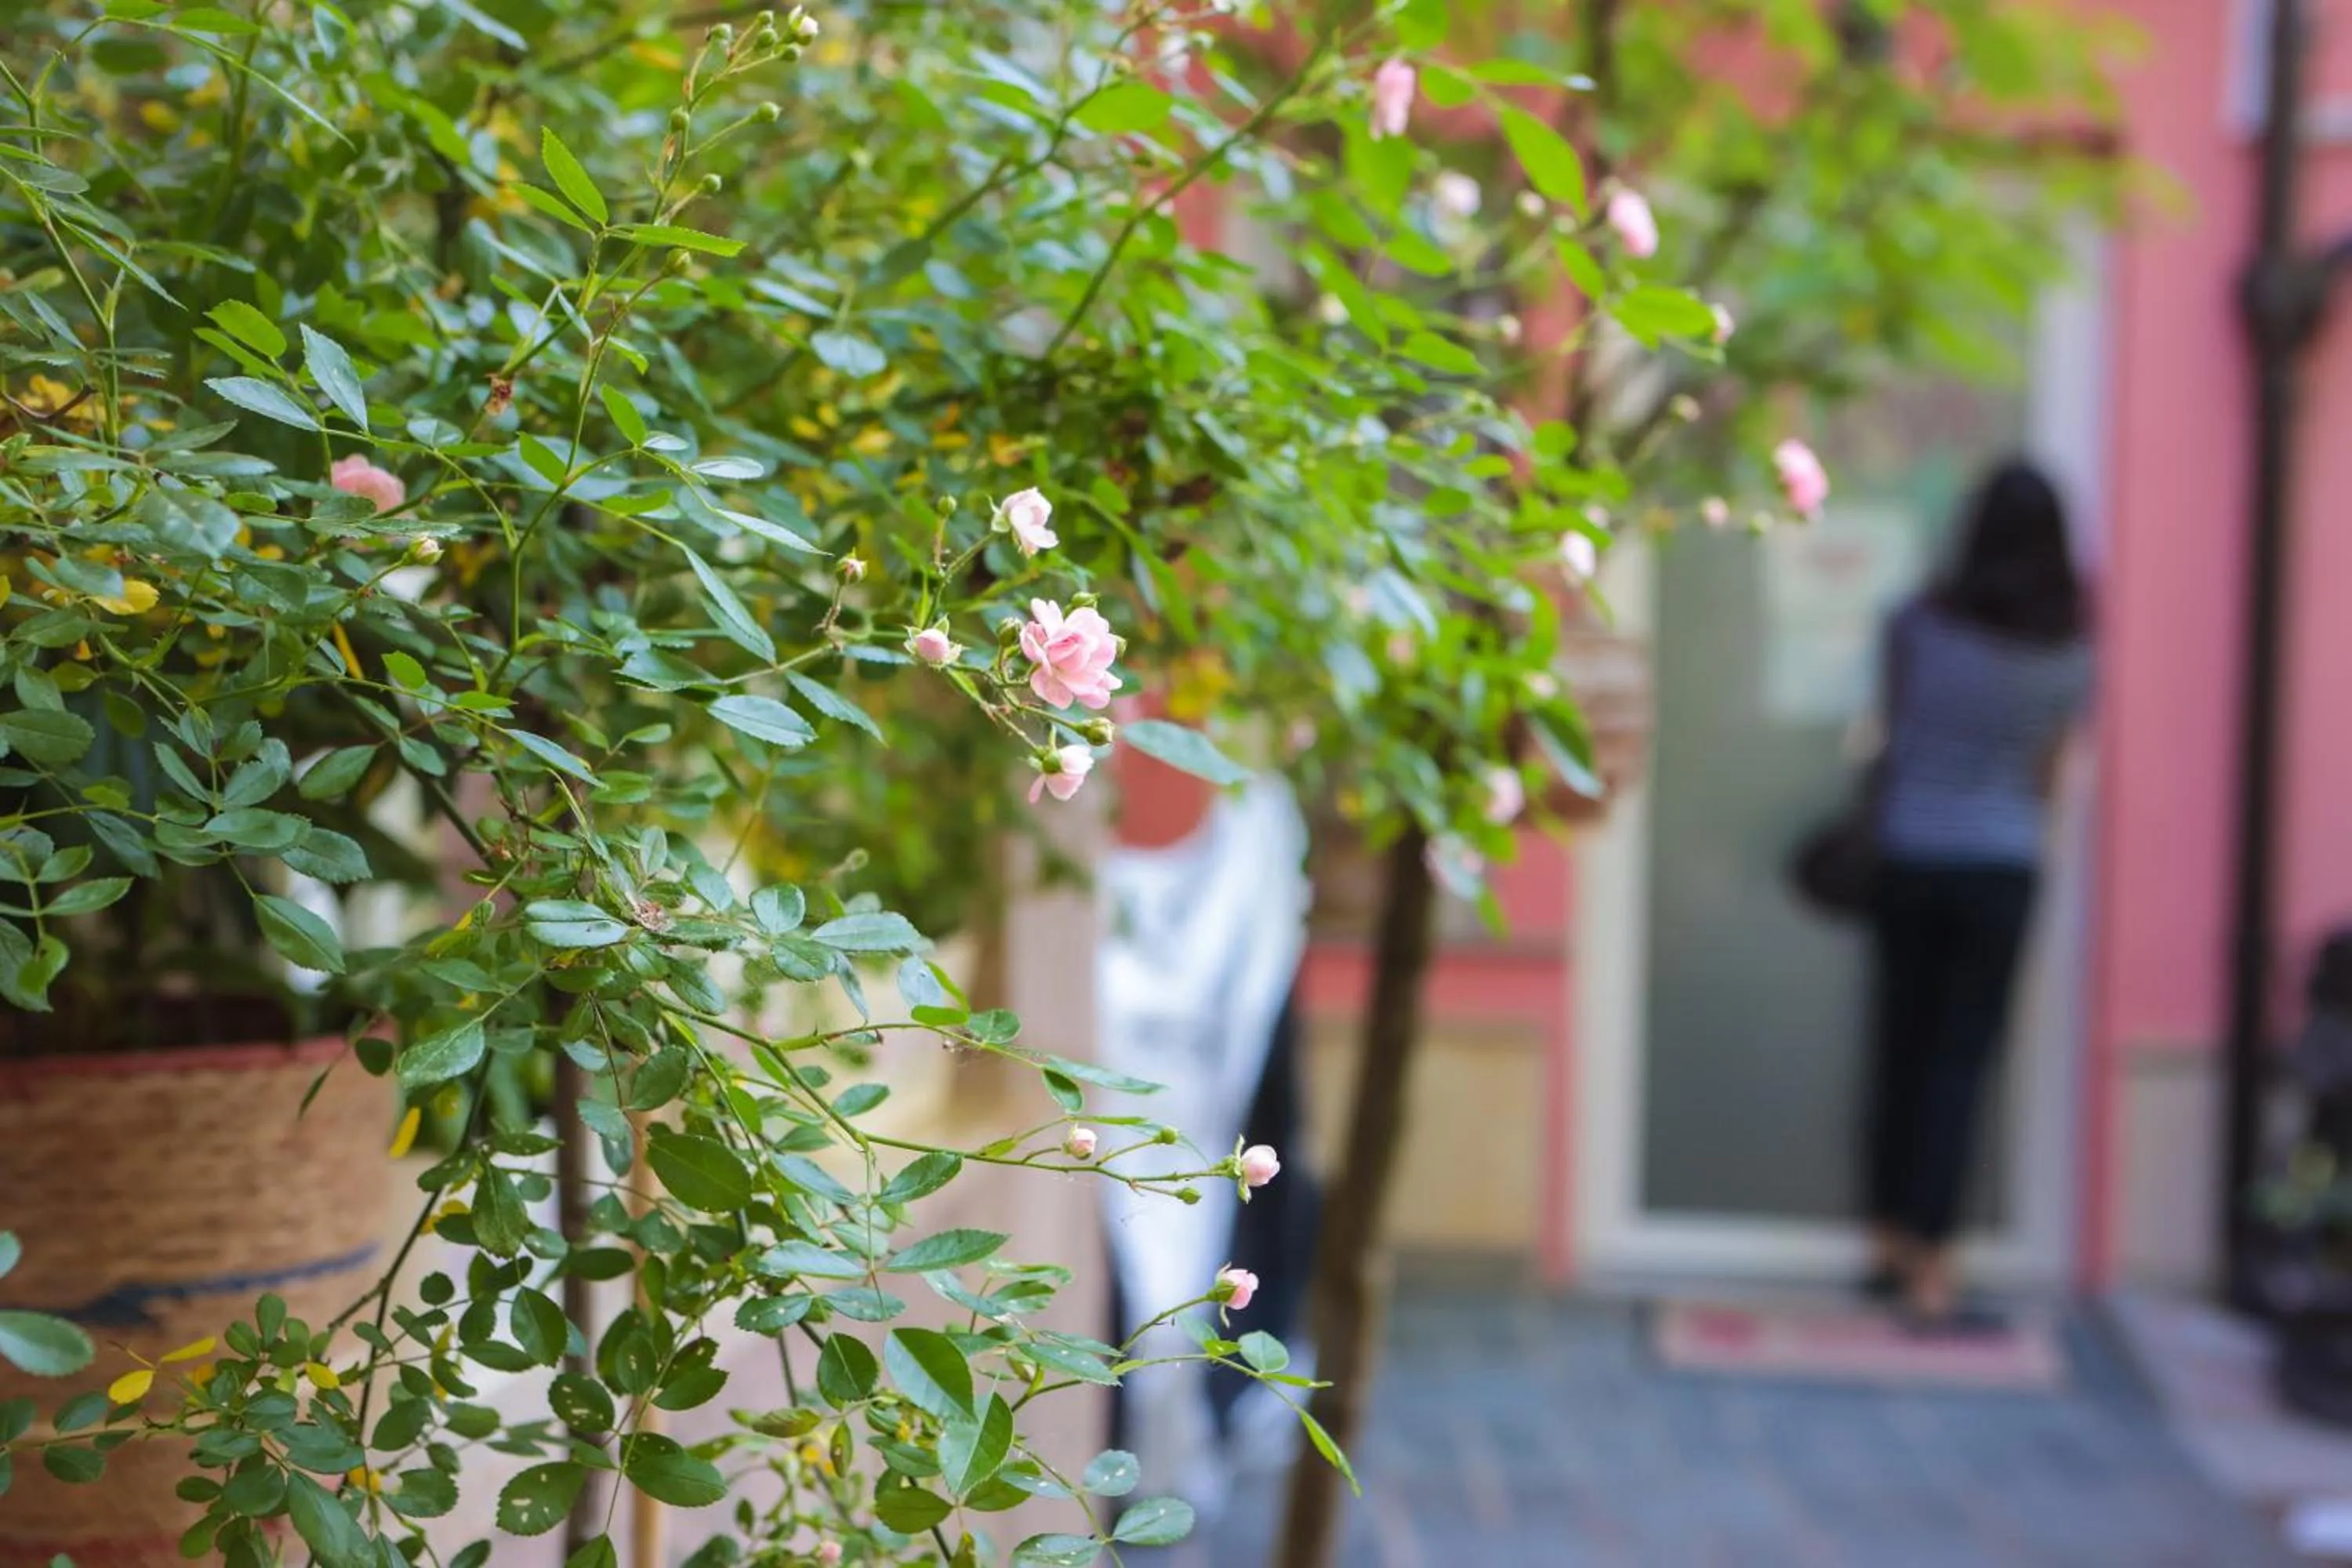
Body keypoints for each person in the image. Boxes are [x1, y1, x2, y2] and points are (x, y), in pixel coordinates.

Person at [1863, 459, 2091, 1329]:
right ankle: (1934, 1259)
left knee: (1899, 1048)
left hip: (1913, 851)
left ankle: (1884, 1236)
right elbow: (2046, 774)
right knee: (1960, 1061)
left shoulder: (1917, 625)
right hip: (2002, 863)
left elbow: (1889, 734)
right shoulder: (2067, 652)